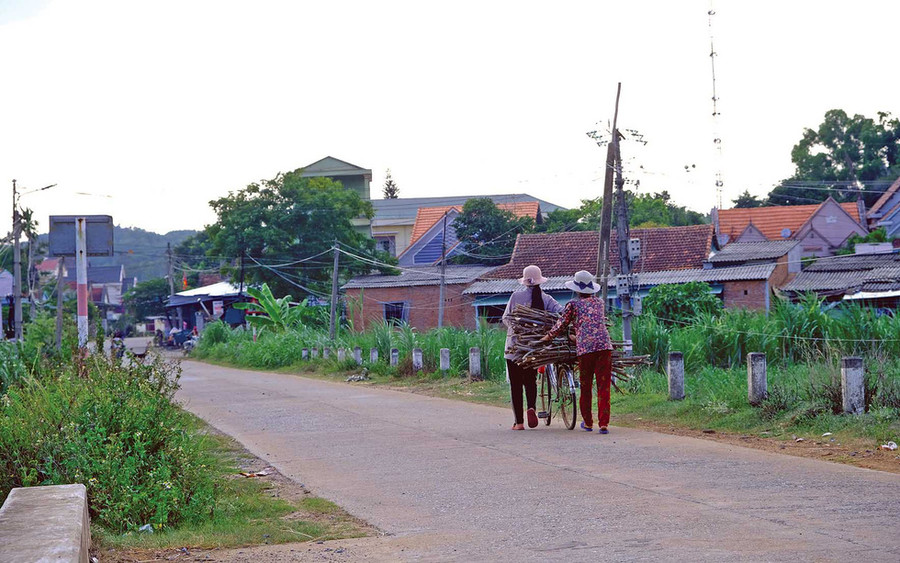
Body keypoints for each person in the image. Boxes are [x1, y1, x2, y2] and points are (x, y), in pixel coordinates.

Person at [541, 270, 613, 434]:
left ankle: (588, 423)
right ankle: (604, 424)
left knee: (586, 386)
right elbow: (591, 326)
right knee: (603, 387)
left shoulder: (573, 305)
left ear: (577, 289)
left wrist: (549, 336)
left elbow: (562, 324)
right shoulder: (600, 303)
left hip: (586, 350)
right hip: (604, 348)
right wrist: (577, 336)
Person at [502, 265, 563, 430]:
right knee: (530, 381)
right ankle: (532, 407)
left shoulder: (516, 296)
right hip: (534, 348)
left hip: (514, 347)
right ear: (539, 280)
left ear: (525, 281)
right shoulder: (546, 298)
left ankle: (519, 422)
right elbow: (561, 313)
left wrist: (517, 327)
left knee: (515, 385)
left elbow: (506, 318)